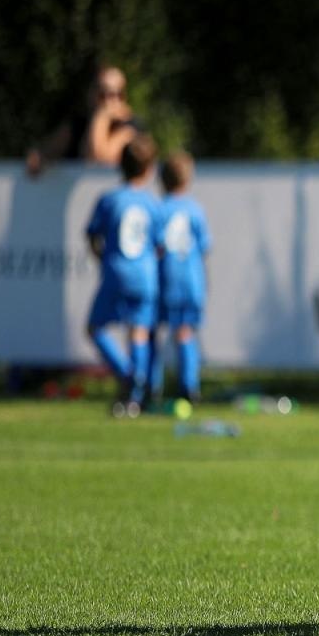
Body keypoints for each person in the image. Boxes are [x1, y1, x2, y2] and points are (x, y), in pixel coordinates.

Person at [84, 135, 162, 417]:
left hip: (117, 271)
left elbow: (93, 237)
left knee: (95, 328)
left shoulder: (110, 200)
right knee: (139, 332)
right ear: (150, 168)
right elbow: (160, 245)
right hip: (145, 276)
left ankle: (126, 374)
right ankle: (137, 393)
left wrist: (103, 259)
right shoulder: (153, 204)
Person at [156, 151, 212, 404]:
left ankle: (150, 387)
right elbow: (204, 247)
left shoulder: (159, 209)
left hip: (165, 279)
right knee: (185, 332)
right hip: (191, 281)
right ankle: (189, 388)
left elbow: (155, 246)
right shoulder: (195, 210)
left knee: (151, 332)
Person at [27, 66, 142, 175]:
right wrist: (38, 158)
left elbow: (97, 162)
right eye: (102, 94)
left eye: (118, 94)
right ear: (90, 94)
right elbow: (44, 151)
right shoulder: (76, 125)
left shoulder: (129, 127)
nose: (110, 101)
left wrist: (101, 117)